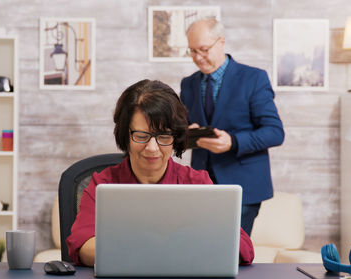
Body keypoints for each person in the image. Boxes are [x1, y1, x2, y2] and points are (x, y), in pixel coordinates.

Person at [66, 79, 254, 266]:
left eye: (163, 136)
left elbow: (242, 248)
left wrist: (133, 248)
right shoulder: (104, 183)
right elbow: (83, 246)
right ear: (125, 135)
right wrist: (170, 249)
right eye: (141, 136)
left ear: (175, 137)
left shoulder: (197, 183)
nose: (152, 148)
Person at [180, 19, 285, 236]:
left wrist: (233, 142)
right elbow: (181, 131)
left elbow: (275, 132)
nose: (198, 58)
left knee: (232, 255)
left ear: (221, 42)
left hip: (243, 186)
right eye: (192, 51)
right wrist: (187, 131)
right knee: (199, 250)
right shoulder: (188, 84)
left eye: (204, 49)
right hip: (200, 186)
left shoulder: (253, 78)